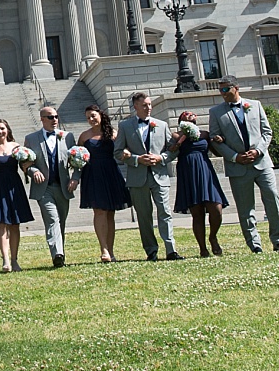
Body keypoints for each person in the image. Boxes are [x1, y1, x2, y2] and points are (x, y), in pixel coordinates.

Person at [207, 78, 279, 253]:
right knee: (245, 208)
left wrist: (258, 151)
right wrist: (235, 157)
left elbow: (267, 132)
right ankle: (254, 244)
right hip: (238, 166)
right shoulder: (215, 112)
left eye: (226, 89)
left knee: (273, 199)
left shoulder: (255, 105)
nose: (222, 93)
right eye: (220, 90)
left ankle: (278, 240)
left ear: (236, 88)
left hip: (261, 163)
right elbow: (215, 138)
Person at [113, 92, 181, 261]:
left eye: (150, 104)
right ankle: (151, 251)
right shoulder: (125, 126)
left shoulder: (162, 125)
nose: (148, 108)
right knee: (144, 216)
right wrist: (136, 159)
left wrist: (161, 158)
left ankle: (171, 250)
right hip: (138, 179)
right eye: (144, 105)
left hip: (160, 176)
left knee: (165, 212)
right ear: (135, 107)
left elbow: (172, 150)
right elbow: (118, 152)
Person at [24, 104, 77, 267]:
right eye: (50, 117)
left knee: (61, 221)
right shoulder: (31, 138)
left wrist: (75, 178)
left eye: (56, 116)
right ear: (42, 119)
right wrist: (33, 171)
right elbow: (25, 162)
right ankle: (57, 254)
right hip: (44, 188)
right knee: (52, 219)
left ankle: (60, 252)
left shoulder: (67, 137)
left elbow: (78, 161)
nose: (54, 120)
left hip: (63, 187)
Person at [169, 110, 227, 257]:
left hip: (205, 170)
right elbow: (171, 149)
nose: (190, 117)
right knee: (197, 212)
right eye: (186, 116)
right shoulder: (176, 135)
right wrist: (180, 140)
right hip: (188, 172)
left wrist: (219, 140)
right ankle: (203, 248)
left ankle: (213, 236)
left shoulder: (205, 134)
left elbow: (217, 152)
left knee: (216, 207)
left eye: (192, 116)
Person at [76, 105, 128, 263]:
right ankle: (103, 249)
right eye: (88, 118)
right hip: (92, 175)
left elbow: (120, 152)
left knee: (110, 213)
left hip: (110, 173)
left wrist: (125, 154)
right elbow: (78, 156)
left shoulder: (113, 133)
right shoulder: (84, 136)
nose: (91, 120)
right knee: (99, 211)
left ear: (100, 115)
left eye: (93, 116)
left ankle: (111, 251)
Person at [0, 118, 34, 272]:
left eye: (3, 129)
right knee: (1, 222)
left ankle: (15, 259)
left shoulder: (17, 147)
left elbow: (25, 164)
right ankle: (5, 259)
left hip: (14, 186)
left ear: (8, 130)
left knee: (15, 224)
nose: (0, 132)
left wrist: (29, 165)